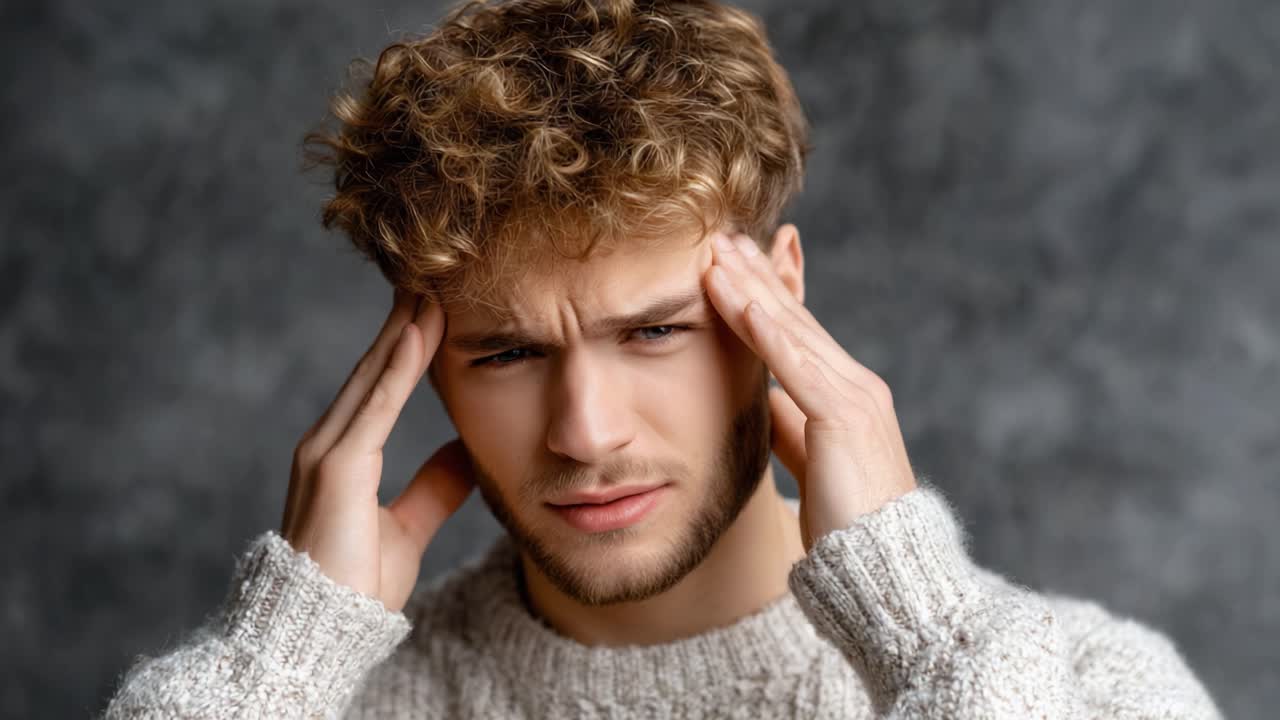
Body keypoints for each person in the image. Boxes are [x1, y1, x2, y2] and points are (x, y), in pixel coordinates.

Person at [102, 0, 1223, 717]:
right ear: (419, 361)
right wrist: (275, 668)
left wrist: (924, 633)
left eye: (652, 331)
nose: (585, 432)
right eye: (504, 352)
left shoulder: (1083, 686)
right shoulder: (318, 706)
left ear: (777, 297)